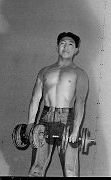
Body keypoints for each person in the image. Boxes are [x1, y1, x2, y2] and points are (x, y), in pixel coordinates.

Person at [26, 32, 89, 177]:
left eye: (70, 44)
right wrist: (30, 124)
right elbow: (35, 99)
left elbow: (80, 101)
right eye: (62, 43)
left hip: (67, 119)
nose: (66, 47)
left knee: (70, 170)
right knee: (36, 168)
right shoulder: (45, 71)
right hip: (45, 117)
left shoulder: (80, 73)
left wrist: (76, 129)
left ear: (76, 50)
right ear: (57, 47)